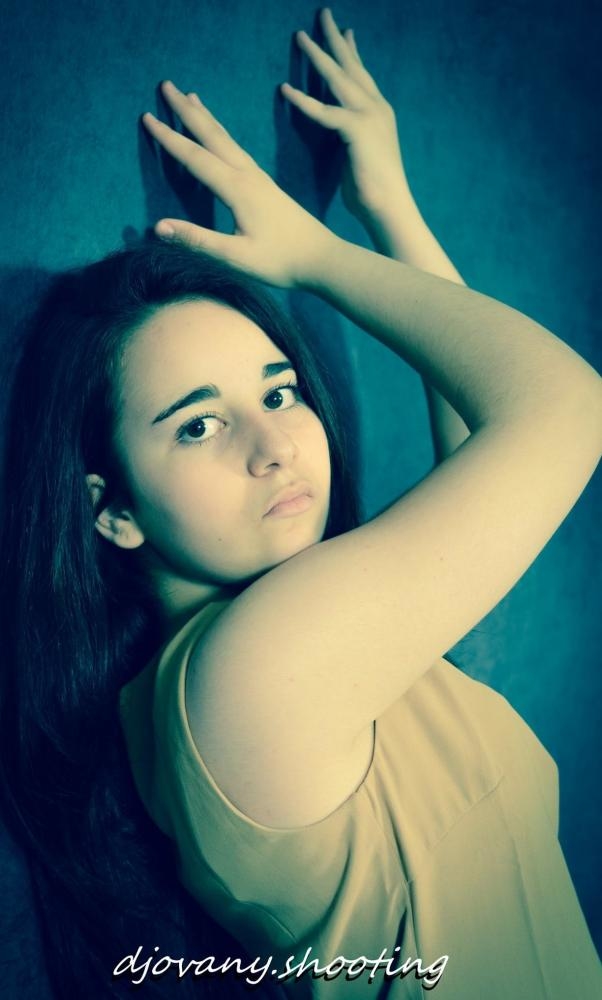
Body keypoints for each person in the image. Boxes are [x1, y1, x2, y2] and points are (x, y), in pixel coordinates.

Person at [0, 7, 600, 999]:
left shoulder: (291, 639)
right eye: (199, 424)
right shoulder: (244, 673)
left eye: (279, 394)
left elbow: (482, 445)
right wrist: (314, 255)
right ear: (113, 512)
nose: (274, 444)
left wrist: (387, 206)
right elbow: (564, 408)